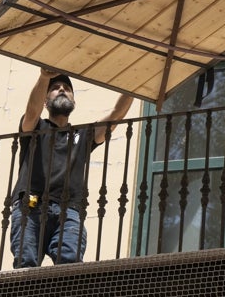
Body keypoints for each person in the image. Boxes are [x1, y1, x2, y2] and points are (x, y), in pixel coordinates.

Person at [9, 67, 134, 267]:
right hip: (30, 205)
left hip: (69, 210)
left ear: (74, 101)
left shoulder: (83, 135)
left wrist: (133, 86)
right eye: (55, 87)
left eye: (67, 88)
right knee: (26, 263)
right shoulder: (35, 127)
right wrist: (44, 77)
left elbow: (116, 115)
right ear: (45, 99)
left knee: (70, 264)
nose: (61, 90)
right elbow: (32, 111)